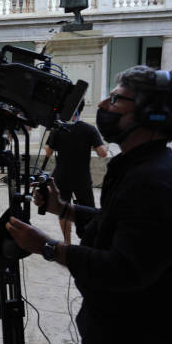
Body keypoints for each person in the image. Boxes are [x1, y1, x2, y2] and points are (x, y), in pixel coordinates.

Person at [6, 66, 172, 344]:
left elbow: (122, 269)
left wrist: (46, 246)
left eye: (115, 100)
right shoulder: (140, 166)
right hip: (118, 326)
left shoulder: (156, 183)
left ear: (151, 114)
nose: (101, 106)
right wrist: (64, 209)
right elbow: (117, 223)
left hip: (133, 339)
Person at [45, 104, 108, 243]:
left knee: (63, 209)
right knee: (88, 211)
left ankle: (67, 242)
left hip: (62, 176)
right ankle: (88, 241)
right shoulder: (89, 129)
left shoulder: (58, 129)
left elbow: (48, 152)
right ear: (80, 111)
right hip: (82, 178)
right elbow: (103, 153)